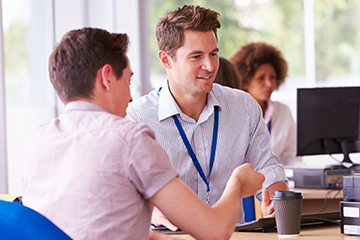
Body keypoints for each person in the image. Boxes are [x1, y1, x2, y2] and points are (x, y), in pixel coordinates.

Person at [20, 27, 265, 240]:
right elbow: (215, 231)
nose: (130, 97)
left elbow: (94, 228)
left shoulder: (37, 141)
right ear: (106, 78)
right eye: (128, 80)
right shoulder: (129, 138)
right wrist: (238, 181)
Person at [126, 5, 289, 230]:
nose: (210, 66)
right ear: (166, 60)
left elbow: (268, 168)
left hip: (232, 235)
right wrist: (151, 211)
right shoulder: (137, 118)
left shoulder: (244, 107)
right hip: (170, 237)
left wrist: (275, 197)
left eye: (213, 54)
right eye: (196, 56)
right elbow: (124, 193)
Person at [230, 42, 302, 165]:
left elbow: (292, 157)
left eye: (272, 77)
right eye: (261, 78)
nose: (269, 84)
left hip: (278, 181)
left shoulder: (283, 111)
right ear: (245, 81)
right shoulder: (233, 113)